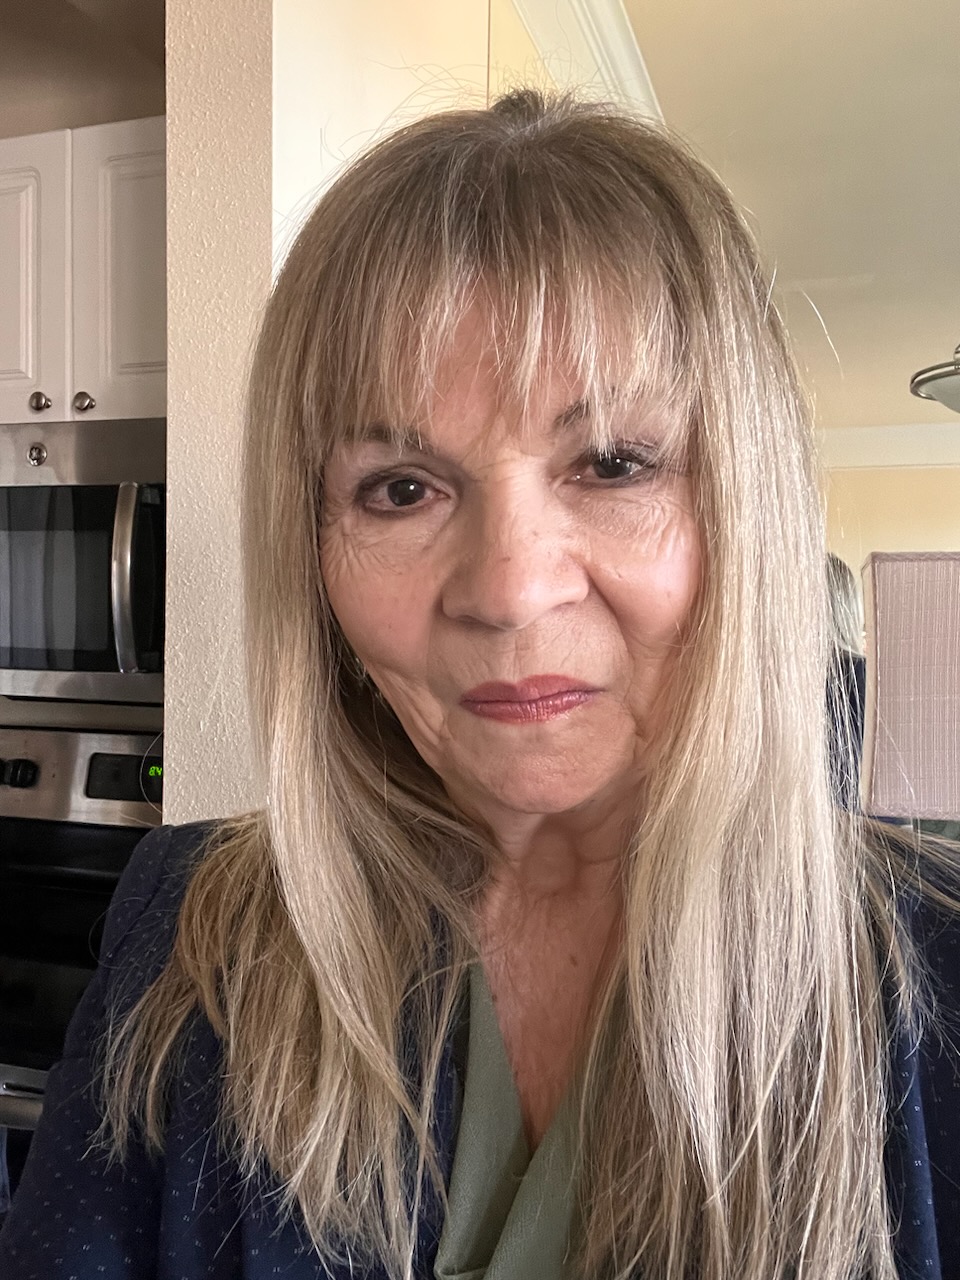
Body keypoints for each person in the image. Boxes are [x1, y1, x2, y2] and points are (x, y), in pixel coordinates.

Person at [3, 88, 960, 1280]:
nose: (508, 590)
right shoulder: (192, 932)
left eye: (613, 462)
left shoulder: (936, 973)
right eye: (401, 488)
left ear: (744, 508)